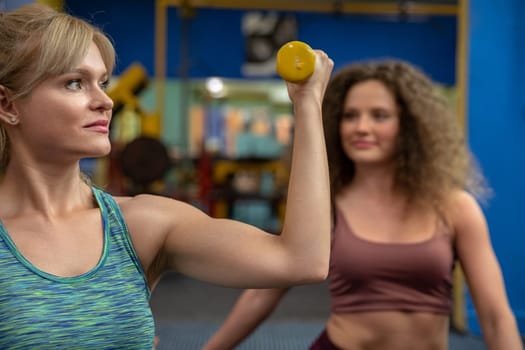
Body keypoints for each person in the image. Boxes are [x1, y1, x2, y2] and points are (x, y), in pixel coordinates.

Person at [0, 4, 334, 349]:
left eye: (102, 82)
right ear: (8, 105)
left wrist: (307, 102)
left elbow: (301, 260)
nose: (105, 101)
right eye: (74, 83)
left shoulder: (139, 226)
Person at [203, 60, 524, 350]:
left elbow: (496, 317)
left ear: (409, 126)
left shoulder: (455, 207)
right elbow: (262, 295)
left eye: (379, 116)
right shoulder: (326, 207)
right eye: (350, 116)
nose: (361, 127)